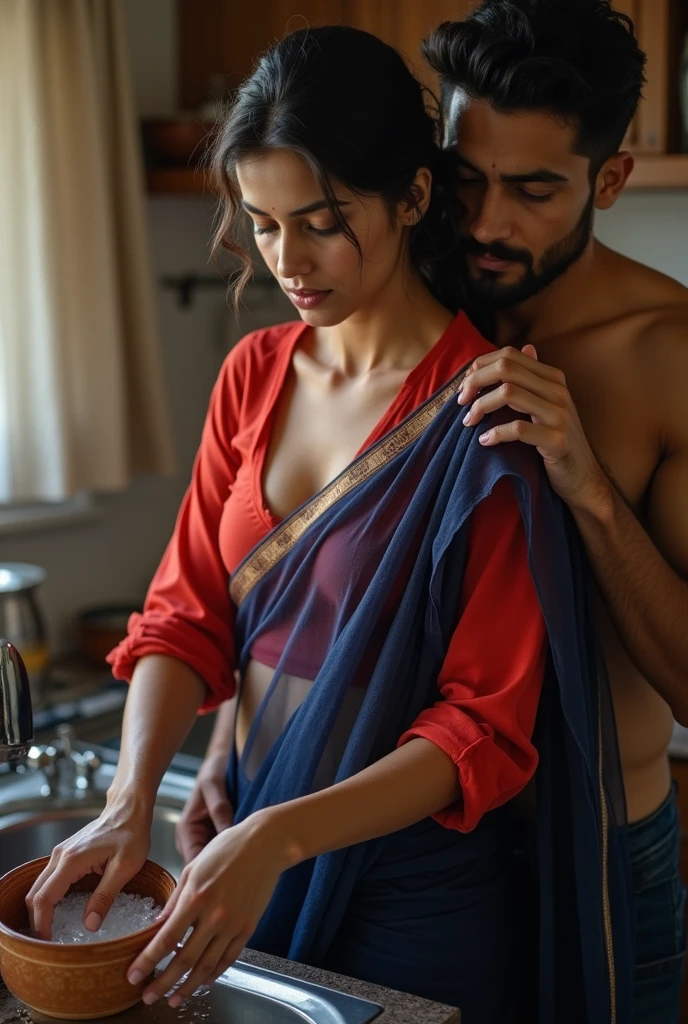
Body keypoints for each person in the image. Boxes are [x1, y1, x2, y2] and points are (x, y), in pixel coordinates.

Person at [26, 26, 632, 1024]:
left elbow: (479, 727)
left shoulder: (490, 414)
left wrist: (276, 836)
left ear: (412, 197)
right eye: (262, 224)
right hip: (247, 842)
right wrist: (129, 802)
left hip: (408, 890)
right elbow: (184, 616)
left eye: (319, 221)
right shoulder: (253, 374)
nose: (287, 261)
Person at [420, 1, 688, 1021]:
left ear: (607, 181)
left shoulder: (665, 353)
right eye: (464, 179)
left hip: (604, 846)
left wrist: (586, 485)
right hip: (420, 848)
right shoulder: (415, 311)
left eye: (533, 190)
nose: (486, 223)